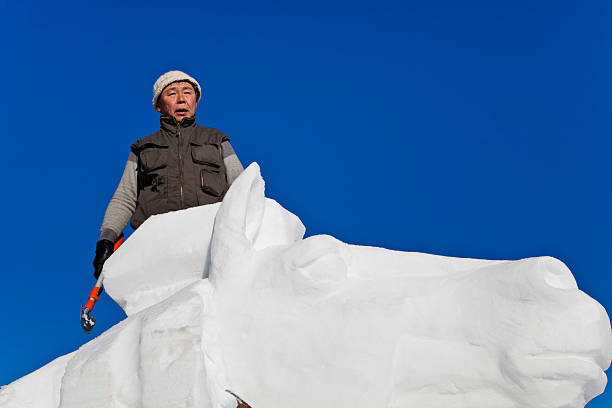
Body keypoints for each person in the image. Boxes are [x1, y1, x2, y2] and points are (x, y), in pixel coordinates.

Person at [92, 70, 244, 279]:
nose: (181, 98)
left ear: (196, 101)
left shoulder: (216, 140)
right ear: (159, 106)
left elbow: (241, 185)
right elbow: (125, 197)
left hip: (209, 241)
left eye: (187, 92)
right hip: (157, 246)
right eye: (172, 93)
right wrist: (106, 240)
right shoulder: (143, 148)